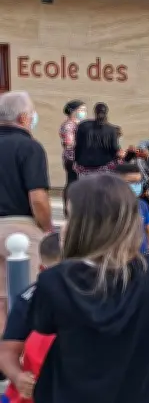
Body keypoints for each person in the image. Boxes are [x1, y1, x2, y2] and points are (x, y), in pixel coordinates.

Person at [28, 174, 149, 402]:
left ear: (83, 225)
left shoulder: (56, 281)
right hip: (144, 390)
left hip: (71, 391)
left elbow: (42, 324)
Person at [0, 91, 49, 336]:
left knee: (0, 300)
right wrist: (47, 227)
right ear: (23, 118)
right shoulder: (29, 147)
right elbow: (38, 198)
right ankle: (19, 360)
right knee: (23, 297)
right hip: (20, 227)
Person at [0, 232, 61, 403]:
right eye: (58, 273)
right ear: (42, 271)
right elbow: (6, 351)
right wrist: (18, 376)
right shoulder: (29, 300)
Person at [115, 163, 149, 254]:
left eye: (138, 182)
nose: (136, 186)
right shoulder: (109, 207)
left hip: (141, 255)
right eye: (131, 182)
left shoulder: (142, 205)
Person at [72, 102, 121, 177]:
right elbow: (114, 149)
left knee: (86, 188)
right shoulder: (112, 130)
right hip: (105, 167)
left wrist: (76, 161)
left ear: (95, 112)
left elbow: (78, 146)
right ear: (106, 112)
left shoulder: (83, 126)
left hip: (85, 168)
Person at [59, 100, 86, 198]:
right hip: (72, 158)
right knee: (72, 181)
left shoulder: (78, 124)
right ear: (73, 111)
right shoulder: (69, 125)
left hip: (77, 157)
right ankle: (69, 204)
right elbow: (69, 142)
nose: (84, 112)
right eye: (81, 110)